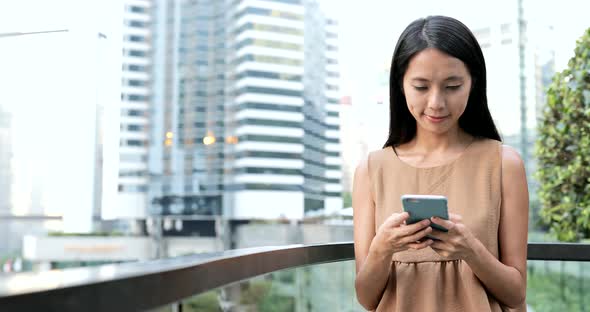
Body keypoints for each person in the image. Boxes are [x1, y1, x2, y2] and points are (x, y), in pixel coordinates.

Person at [352, 16, 529, 311]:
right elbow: (366, 298)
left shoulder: (503, 164)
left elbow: (516, 294)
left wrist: (471, 250)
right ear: (400, 86)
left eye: (452, 85)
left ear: (473, 83)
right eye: (421, 87)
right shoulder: (371, 170)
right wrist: (383, 248)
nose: (436, 102)